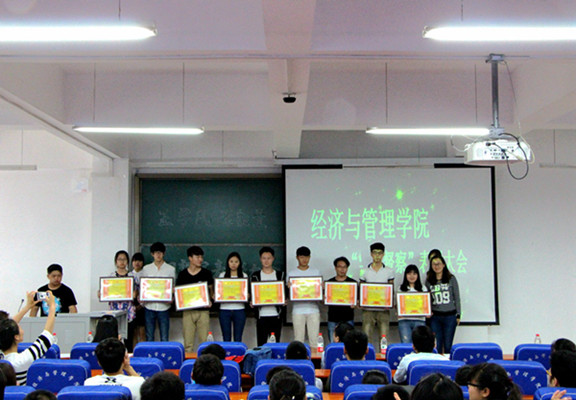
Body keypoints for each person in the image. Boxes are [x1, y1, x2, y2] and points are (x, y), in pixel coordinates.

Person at [0, 291, 56, 385]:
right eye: (19, 326)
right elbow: (46, 335)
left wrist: (28, 307)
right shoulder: (22, 360)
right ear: (17, 337)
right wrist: (52, 306)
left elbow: (4, 328)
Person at [176, 245, 214, 352]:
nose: (200, 259)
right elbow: (179, 294)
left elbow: (211, 291)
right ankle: (188, 361)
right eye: (197, 257)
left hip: (203, 311)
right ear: (190, 258)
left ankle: (205, 361)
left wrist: (210, 300)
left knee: (204, 342)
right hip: (188, 311)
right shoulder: (183, 274)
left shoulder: (206, 273)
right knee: (188, 343)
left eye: (201, 257)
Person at [286, 246, 321, 349]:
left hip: (313, 310)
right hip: (298, 310)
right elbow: (287, 294)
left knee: (314, 341)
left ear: (309, 257)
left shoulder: (316, 272)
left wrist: (321, 288)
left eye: (306, 257)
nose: (304, 259)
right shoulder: (291, 274)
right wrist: (289, 288)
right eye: (301, 257)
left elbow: (319, 292)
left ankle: (314, 359)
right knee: (298, 340)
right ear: (297, 258)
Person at [360, 242, 394, 348]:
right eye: (375, 253)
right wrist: (361, 301)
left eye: (380, 253)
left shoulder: (389, 271)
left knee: (384, 338)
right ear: (371, 254)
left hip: (383, 310)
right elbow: (361, 290)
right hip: (368, 309)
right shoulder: (364, 271)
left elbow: (391, 289)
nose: (377, 256)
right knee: (366, 337)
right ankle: (368, 356)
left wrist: (390, 303)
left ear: (383, 254)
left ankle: (383, 357)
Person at [425, 252, 461, 353]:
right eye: (434, 264)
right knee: (437, 345)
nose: (436, 266)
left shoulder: (451, 279)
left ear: (444, 265)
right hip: (435, 317)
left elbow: (457, 297)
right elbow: (427, 299)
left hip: (450, 316)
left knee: (448, 345)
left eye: (439, 264)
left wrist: (458, 314)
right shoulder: (429, 280)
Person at [142, 242, 176, 342]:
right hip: (149, 306)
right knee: (149, 337)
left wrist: (172, 296)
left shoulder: (170, 269)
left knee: (164, 337)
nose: (158, 255)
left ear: (163, 253)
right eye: (156, 252)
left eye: (160, 252)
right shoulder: (146, 269)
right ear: (152, 254)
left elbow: (172, 287)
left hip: (164, 307)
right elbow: (144, 286)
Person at [250, 246, 285, 346]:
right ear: (260, 259)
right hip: (261, 316)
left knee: (276, 345)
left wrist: (284, 299)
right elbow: (251, 293)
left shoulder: (280, 275)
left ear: (273, 259)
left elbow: (284, 293)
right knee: (261, 345)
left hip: (276, 315)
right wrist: (251, 301)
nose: (266, 261)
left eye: (269, 258)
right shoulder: (255, 276)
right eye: (264, 258)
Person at [102, 250, 136, 351]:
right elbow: (105, 292)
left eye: (124, 259)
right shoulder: (111, 277)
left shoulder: (132, 276)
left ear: (127, 262)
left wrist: (135, 294)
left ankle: (128, 356)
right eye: (119, 259)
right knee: (114, 338)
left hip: (129, 312)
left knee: (129, 339)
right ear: (116, 261)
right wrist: (102, 293)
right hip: (114, 311)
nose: (122, 262)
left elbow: (137, 292)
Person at [326, 256, 357, 343]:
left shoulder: (353, 283)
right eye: (340, 267)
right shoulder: (329, 283)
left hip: (348, 318)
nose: (342, 269)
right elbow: (323, 301)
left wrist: (356, 303)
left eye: (344, 267)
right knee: (333, 344)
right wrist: (324, 298)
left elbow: (357, 301)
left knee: (349, 344)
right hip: (333, 318)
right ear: (335, 268)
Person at [218, 251, 248, 342]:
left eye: (236, 262)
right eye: (231, 261)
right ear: (228, 262)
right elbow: (219, 292)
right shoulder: (222, 275)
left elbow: (247, 292)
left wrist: (247, 295)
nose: (233, 264)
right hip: (224, 309)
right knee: (226, 338)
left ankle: (237, 352)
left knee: (238, 338)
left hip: (239, 309)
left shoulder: (244, 276)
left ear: (240, 263)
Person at [397, 264, 428, 343]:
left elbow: (426, 304)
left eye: (414, 273)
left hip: (419, 320)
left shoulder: (423, 288)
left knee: (420, 344)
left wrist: (427, 311)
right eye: (409, 273)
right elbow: (397, 305)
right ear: (405, 275)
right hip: (404, 320)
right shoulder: (400, 289)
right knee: (406, 344)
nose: (412, 276)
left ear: (418, 275)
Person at [131, 252, 146, 347]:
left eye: (139, 261)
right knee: (133, 332)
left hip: (143, 306)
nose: (137, 263)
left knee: (142, 331)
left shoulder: (146, 274)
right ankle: (134, 351)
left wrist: (141, 305)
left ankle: (142, 351)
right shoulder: (129, 275)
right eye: (135, 260)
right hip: (131, 307)